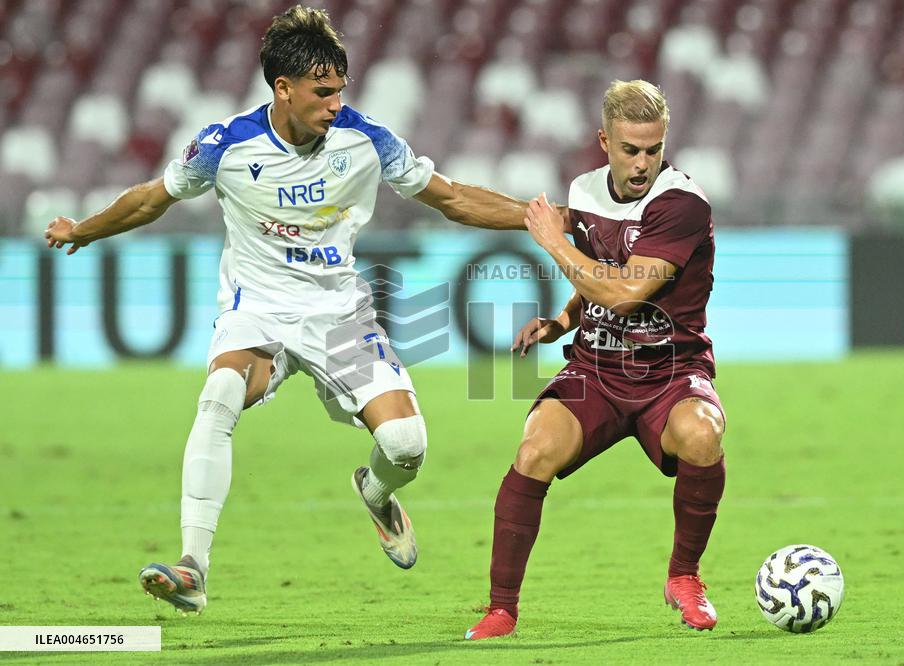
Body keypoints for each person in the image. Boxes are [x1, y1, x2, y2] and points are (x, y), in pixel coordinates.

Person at [44, 5, 547, 615]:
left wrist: (534, 216)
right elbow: (153, 199)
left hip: (339, 316)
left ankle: (377, 491)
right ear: (282, 88)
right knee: (220, 394)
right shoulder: (225, 145)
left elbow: (452, 198)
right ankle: (193, 567)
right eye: (322, 91)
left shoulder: (367, 140)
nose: (337, 104)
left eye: (341, 90)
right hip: (256, 312)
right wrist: (86, 230)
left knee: (407, 445)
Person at [465, 80, 727, 639]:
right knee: (534, 450)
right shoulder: (584, 190)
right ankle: (501, 609)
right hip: (597, 371)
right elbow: (601, 268)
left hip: (671, 373)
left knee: (703, 435)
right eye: (631, 149)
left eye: (653, 149)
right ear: (604, 140)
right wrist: (562, 320)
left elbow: (625, 292)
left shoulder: (681, 204)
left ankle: (684, 576)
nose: (642, 163)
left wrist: (552, 242)